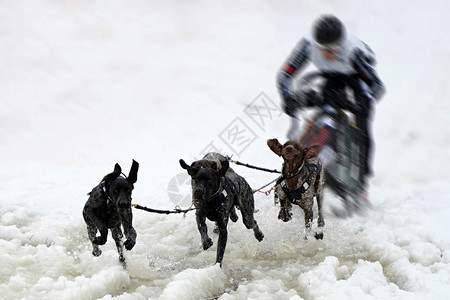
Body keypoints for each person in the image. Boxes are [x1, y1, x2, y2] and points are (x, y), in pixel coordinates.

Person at [276, 14, 385, 189]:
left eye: (333, 50)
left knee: (362, 125)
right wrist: (288, 97)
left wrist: (360, 106)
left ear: (341, 43)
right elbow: (284, 75)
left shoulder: (353, 52)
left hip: (356, 79)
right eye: (323, 50)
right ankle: (313, 158)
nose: (328, 54)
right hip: (330, 77)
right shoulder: (308, 45)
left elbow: (377, 86)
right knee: (323, 108)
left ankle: (362, 182)